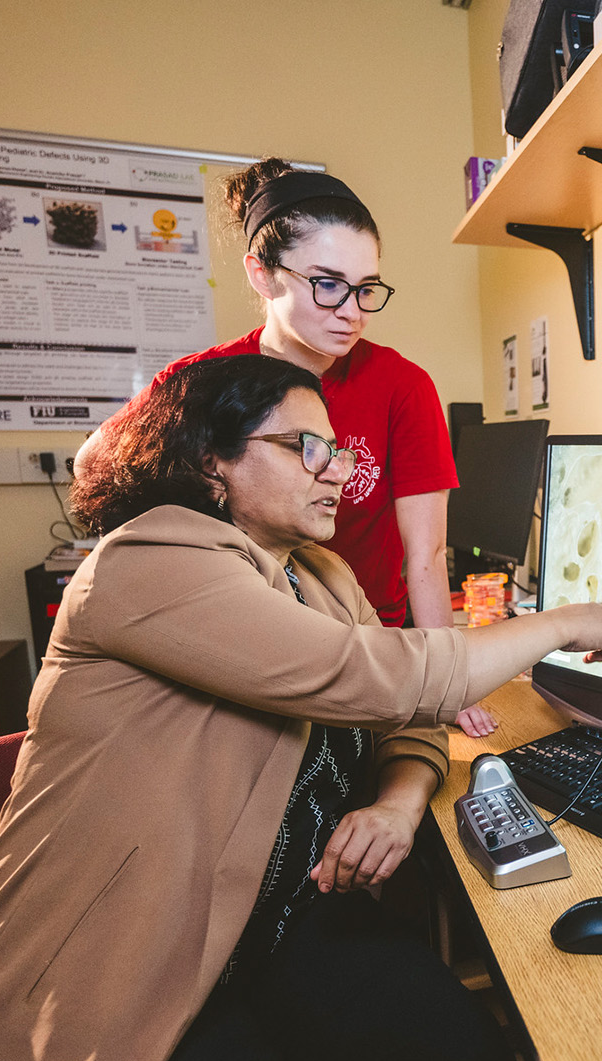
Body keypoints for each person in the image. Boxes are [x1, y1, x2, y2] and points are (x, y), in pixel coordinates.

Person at [0, 356, 602, 1061]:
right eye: (306, 447)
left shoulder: (321, 574)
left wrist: (396, 801)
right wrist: (562, 621)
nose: (336, 470)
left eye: (337, 450)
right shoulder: (149, 562)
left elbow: (407, 715)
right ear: (211, 463)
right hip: (129, 960)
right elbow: (384, 679)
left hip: (257, 929)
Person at [74, 158, 500, 737]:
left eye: (365, 289)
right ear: (262, 274)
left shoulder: (402, 385)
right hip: (243, 648)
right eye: (327, 285)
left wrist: (448, 680)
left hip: (366, 646)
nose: (350, 312)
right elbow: (93, 464)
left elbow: (425, 554)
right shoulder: (203, 380)